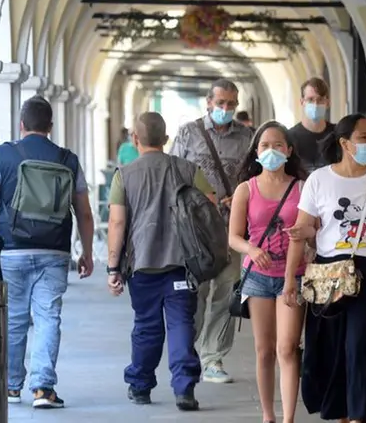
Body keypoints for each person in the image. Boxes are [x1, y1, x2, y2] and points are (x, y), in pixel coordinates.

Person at [0, 95, 95, 409]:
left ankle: (11, 386)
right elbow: (83, 212)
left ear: (21, 124)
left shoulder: (2, 154)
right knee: (47, 318)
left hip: (11, 250)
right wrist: (86, 252)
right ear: (51, 126)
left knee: (14, 318)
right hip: (55, 251)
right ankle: (43, 389)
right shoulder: (68, 159)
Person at [284, 114, 366, 423]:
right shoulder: (319, 180)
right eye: (363, 137)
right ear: (345, 143)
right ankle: (343, 413)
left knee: (364, 345)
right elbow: (301, 229)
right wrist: (289, 281)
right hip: (330, 272)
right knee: (334, 347)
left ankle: (362, 414)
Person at [105, 112, 215, 410]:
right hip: (182, 264)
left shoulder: (123, 175)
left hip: (141, 265)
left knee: (146, 325)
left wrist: (113, 267)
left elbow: (116, 223)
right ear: (166, 140)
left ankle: (140, 386)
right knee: (181, 324)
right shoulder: (189, 170)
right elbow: (210, 210)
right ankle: (184, 389)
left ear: (135, 139)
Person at [169, 78, 254, 383]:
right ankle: (188, 353)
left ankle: (214, 358)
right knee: (197, 290)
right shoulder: (189, 133)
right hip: (197, 228)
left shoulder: (247, 137)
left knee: (227, 289)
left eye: (231, 104)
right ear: (208, 102)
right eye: (221, 103)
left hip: (233, 225)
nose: (226, 109)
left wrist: (241, 196)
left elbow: (255, 176)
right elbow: (174, 173)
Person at [228, 121, 309, 423]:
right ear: (256, 151)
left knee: (287, 348)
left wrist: (307, 231)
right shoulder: (245, 189)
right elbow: (234, 236)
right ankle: (268, 415)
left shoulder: (301, 188)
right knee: (265, 350)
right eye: (265, 145)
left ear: (289, 151)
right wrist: (251, 249)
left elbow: (312, 227)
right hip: (258, 277)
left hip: (294, 275)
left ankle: (288, 418)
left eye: (278, 145)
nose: (271, 150)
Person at [287, 77, 335, 174]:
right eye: (310, 99)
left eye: (320, 99)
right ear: (302, 102)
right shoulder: (290, 137)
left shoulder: (336, 134)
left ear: (328, 102)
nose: (316, 104)